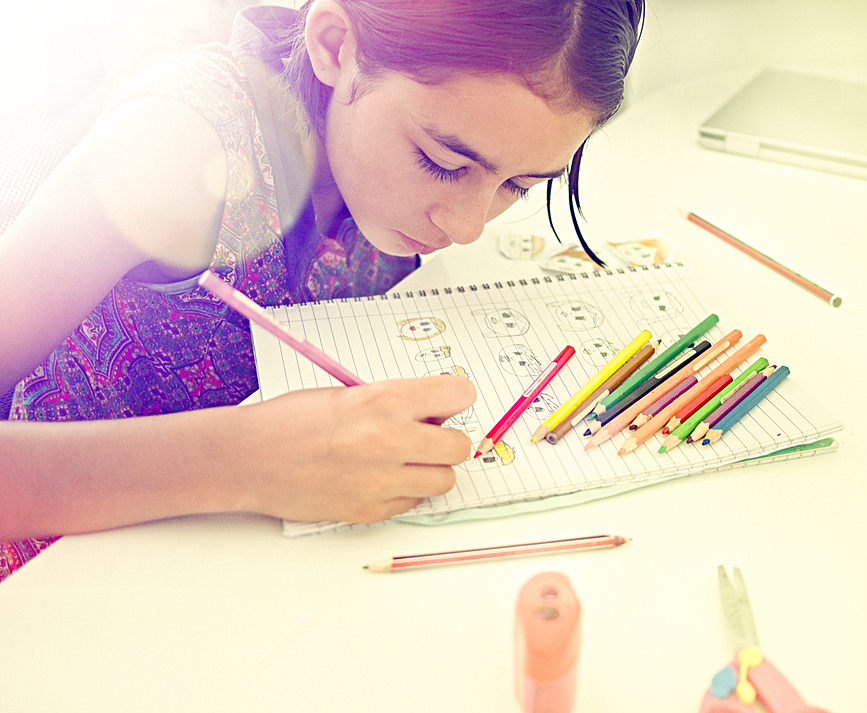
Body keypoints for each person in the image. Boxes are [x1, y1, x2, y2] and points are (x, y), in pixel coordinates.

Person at [0, 0, 644, 580]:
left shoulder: (384, 172)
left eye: (518, 186)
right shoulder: (177, 141)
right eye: (442, 163)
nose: (468, 226)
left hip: (206, 575)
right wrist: (240, 461)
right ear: (336, 46)